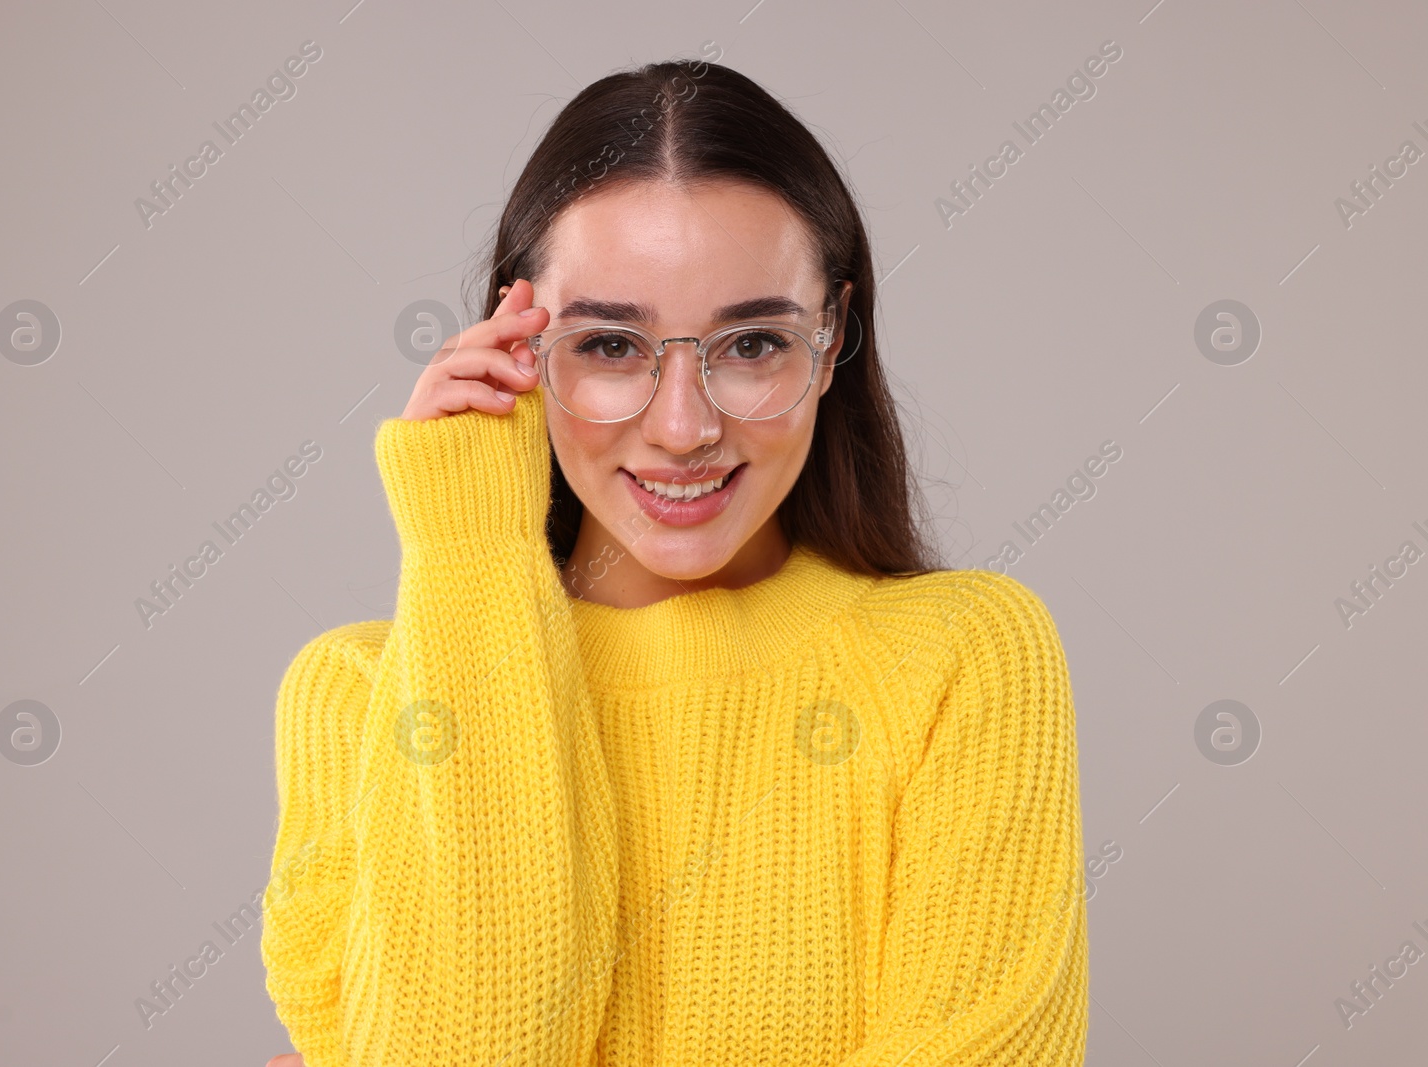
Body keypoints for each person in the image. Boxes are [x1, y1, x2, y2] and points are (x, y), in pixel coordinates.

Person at [260, 56, 1088, 1067]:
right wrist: (468, 538)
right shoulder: (357, 698)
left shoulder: (962, 660)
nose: (685, 425)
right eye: (610, 345)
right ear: (520, 350)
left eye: (752, 343)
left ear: (831, 344)